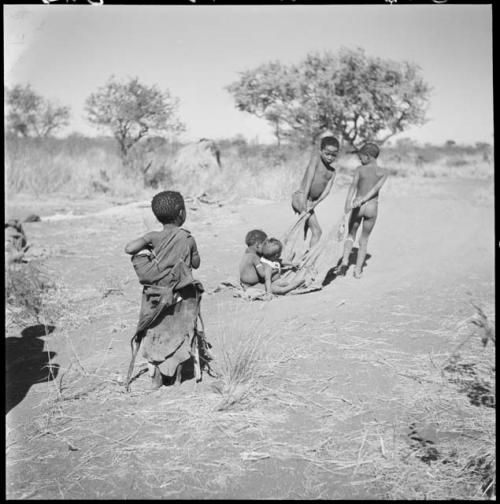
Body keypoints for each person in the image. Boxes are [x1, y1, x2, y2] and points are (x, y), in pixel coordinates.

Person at [124, 190, 211, 389]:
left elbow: (129, 249)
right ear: (181, 212)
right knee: (180, 331)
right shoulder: (187, 238)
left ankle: (156, 379)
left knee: (156, 331)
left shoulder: (153, 236)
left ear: (157, 216)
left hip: (156, 298)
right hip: (181, 297)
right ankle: (178, 377)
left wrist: (148, 247)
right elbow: (196, 264)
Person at [334, 142, 388, 279]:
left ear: (368, 156)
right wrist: (365, 200)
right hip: (372, 207)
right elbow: (376, 189)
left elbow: (352, 186)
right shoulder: (383, 172)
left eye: (361, 157)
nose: (360, 160)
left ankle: (344, 262)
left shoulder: (360, 169)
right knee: (364, 239)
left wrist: (348, 203)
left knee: (350, 235)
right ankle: (358, 270)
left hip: (358, 206)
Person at [291, 134, 340, 248]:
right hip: (301, 197)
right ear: (320, 151)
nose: (330, 157)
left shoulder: (332, 172)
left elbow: (326, 192)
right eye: (327, 153)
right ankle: (303, 261)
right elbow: (308, 180)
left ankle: (304, 260)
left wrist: (314, 204)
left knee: (310, 230)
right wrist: (304, 202)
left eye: (333, 155)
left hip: (310, 203)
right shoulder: (316, 160)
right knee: (315, 231)